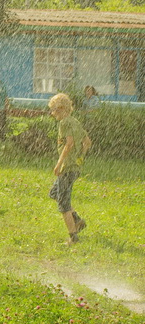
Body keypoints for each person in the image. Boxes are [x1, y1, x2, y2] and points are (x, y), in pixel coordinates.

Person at [48, 93, 91, 244]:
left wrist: (59, 164)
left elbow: (69, 144)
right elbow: (87, 142)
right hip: (75, 167)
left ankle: (73, 237)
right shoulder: (76, 122)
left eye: (53, 110)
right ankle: (77, 220)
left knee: (63, 204)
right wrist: (80, 158)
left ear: (60, 108)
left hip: (67, 168)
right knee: (54, 193)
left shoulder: (64, 123)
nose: (52, 113)